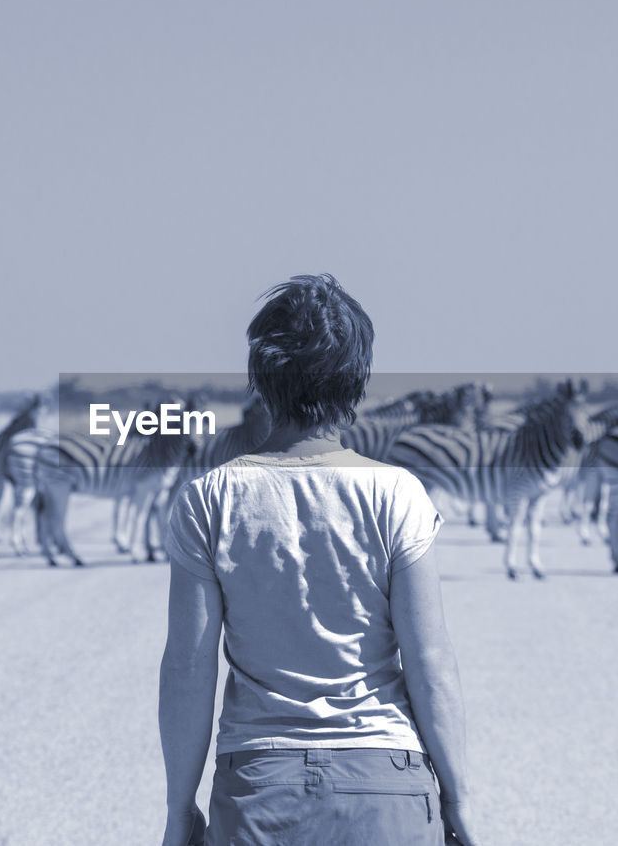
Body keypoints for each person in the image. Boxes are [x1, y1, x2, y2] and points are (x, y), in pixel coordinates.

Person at [159, 274, 476, 845]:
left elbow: (188, 668)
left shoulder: (209, 498)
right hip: (388, 786)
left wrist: (179, 810)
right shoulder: (397, 494)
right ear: (357, 380)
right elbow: (430, 662)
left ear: (262, 379)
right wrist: (457, 798)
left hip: (257, 787)